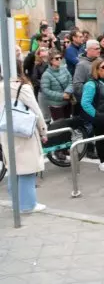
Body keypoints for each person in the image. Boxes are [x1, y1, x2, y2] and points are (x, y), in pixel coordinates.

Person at [0, 59, 48, 213]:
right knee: (27, 168)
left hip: (6, 130)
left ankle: (16, 201)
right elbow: (36, 110)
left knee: (13, 167)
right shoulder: (22, 87)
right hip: (24, 131)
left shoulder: (1, 86)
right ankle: (27, 205)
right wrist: (43, 130)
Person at [40, 48, 73, 121]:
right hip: (56, 105)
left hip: (67, 102)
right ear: (51, 60)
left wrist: (67, 92)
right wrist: (62, 95)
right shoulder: (46, 74)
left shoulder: (64, 69)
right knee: (60, 126)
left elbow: (71, 81)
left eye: (60, 58)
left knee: (68, 122)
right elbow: (45, 90)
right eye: (57, 58)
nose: (59, 60)